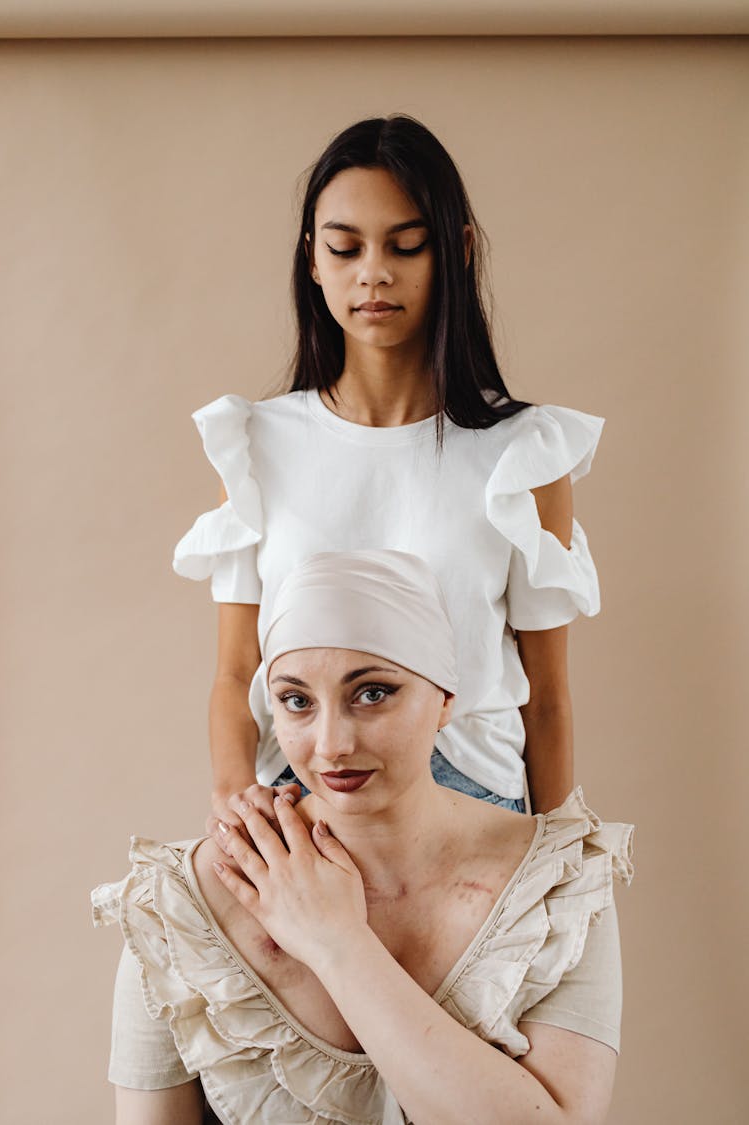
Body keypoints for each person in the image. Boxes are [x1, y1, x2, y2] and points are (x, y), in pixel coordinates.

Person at [93, 550, 633, 1125]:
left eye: (372, 693)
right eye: (296, 701)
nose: (331, 745)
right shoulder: (180, 906)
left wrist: (337, 943)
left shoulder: (556, 886)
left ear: (446, 697)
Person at [172, 114, 604, 825]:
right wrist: (232, 798)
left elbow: (548, 696)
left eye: (406, 246)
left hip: (474, 808)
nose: (373, 271)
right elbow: (234, 669)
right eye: (346, 248)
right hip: (302, 805)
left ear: (457, 251)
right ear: (314, 259)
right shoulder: (256, 444)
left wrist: (560, 856)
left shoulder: (523, 454)